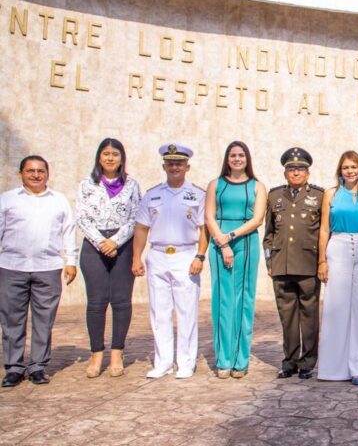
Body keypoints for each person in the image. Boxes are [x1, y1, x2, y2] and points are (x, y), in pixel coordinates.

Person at [131, 144, 208, 379]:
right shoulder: (152, 194)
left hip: (185, 255)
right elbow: (142, 227)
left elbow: (204, 229)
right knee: (159, 311)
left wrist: (200, 255)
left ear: (187, 167)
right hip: (158, 255)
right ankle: (163, 361)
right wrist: (137, 257)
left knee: (186, 312)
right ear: (164, 166)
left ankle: (186, 362)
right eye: (170, 163)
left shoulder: (197, 194)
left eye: (179, 163)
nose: (175, 167)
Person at [0, 156, 77, 387]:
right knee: (12, 320)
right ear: (21, 173)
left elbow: (68, 232)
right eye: (30, 170)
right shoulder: (7, 200)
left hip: (48, 267)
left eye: (40, 171)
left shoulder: (59, 201)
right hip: (12, 266)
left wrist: (71, 260)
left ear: (47, 173)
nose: (35, 175)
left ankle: (37, 367)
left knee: (44, 320)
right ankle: (14, 368)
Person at [317, 150, 358, 385]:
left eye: (354, 167)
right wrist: (322, 260)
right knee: (337, 305)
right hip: (339, 246)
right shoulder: (331, 195)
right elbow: (324, 229)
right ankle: (334, 367)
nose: (350, 171)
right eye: (346, 167)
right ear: (340, 171)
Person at [76, 138, 142, 378]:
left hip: (122, 246)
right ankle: (96, 354)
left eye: (115, 154)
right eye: (106, 154)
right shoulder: (87, 184)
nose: (111, 158)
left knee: (121, 301)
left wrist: (115, 241)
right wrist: (102, 243)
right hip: (94, 246)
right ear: (99, 157)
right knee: (96, 302)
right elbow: (82, 217)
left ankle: (117, 352)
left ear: (122, 158)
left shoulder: (132, 185)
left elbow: (137, 217)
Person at [205, 141, 267, 379]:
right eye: (233, 155)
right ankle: (224, 359)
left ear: (247, 159)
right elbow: (209, 215)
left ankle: (241, 361)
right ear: (227, 158)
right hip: (219, 243)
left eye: (241, 155)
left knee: (244, 300)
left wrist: (230, 237)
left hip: (245, 243)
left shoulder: (257, 186)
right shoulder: (216, 184)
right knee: (223, 299)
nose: (237, 159)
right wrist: (221, 242)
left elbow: (257, 219)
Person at [263, 147, 324, 379]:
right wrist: (270, 262)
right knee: (287, 317)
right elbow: (269, 233)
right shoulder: (274, 196)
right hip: (282, 265)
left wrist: (322, 262)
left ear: (307, 173)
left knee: (309, 316)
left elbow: (322, 232)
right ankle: (289, 361)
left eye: (300, 168)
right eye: (291, 168)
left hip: (308, 264)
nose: (296, 172)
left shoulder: (319, 196)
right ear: (285, 172)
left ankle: (307, 362)